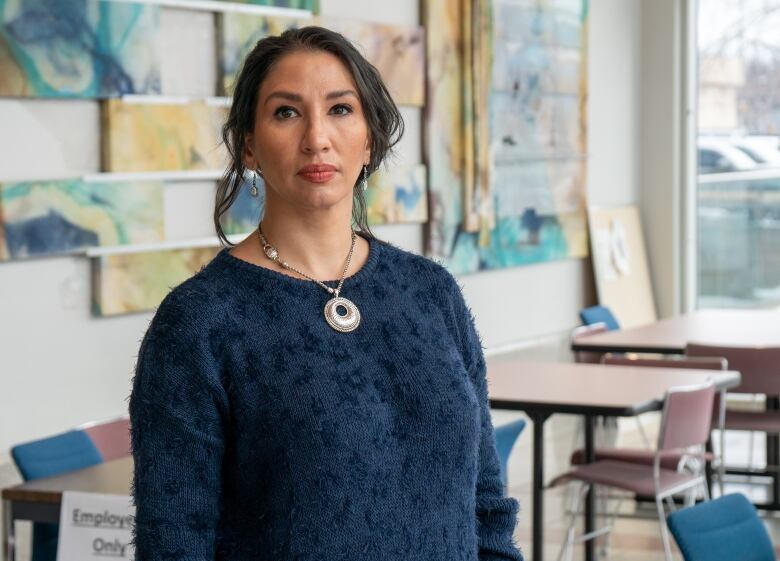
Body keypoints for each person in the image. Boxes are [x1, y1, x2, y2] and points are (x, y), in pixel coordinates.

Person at [128, 26, 523, 561]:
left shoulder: (432, 293)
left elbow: (485, 507)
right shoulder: (199, 323)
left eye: (340, 109)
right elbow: (175, 542)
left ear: (370, 136)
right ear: (248, 144)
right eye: (286, 112)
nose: (317, 137)